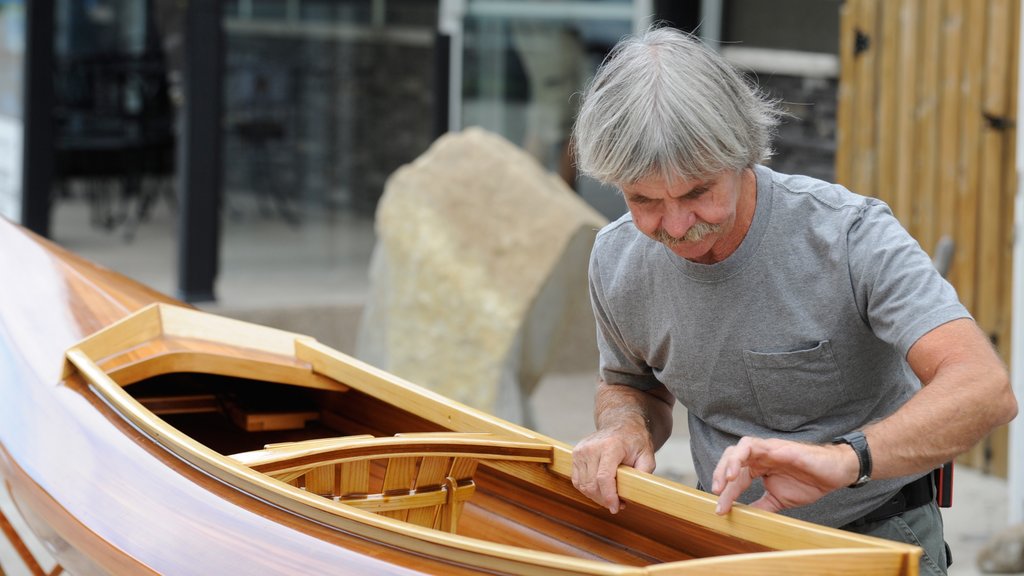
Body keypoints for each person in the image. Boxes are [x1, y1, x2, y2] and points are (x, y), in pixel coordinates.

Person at [569, 26, 1017, 576]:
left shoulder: (849, 234)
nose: (677, 225)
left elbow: (984, 388)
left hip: (875, 538)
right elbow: (629, 384)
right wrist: (623, 427)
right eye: (645, 200)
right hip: (727, 542)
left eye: (697, 192)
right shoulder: (616, 258)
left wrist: (846, 460)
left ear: (743, 154)